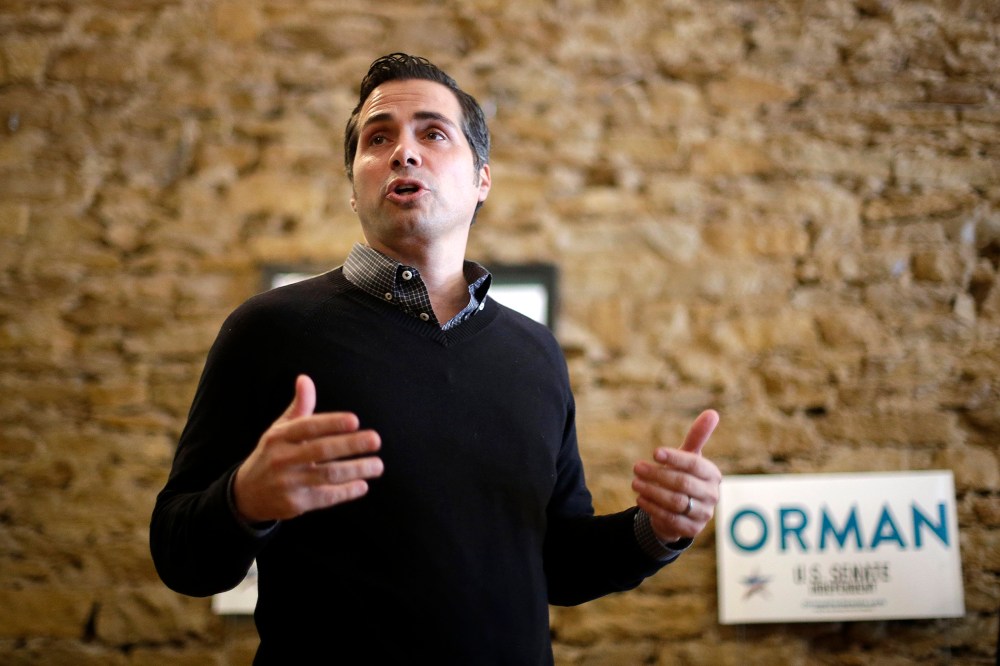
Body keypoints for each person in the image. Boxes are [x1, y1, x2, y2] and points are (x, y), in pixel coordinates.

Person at [150, 52, 723, 664]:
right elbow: (180, 555)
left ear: (482, 179)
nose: (404, 151)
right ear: (354, 186)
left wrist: (658, 529)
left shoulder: (534, 354)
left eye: (433, 133)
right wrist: (243, 498)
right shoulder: (267, 330)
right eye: (378, 138)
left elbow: (557, 563)